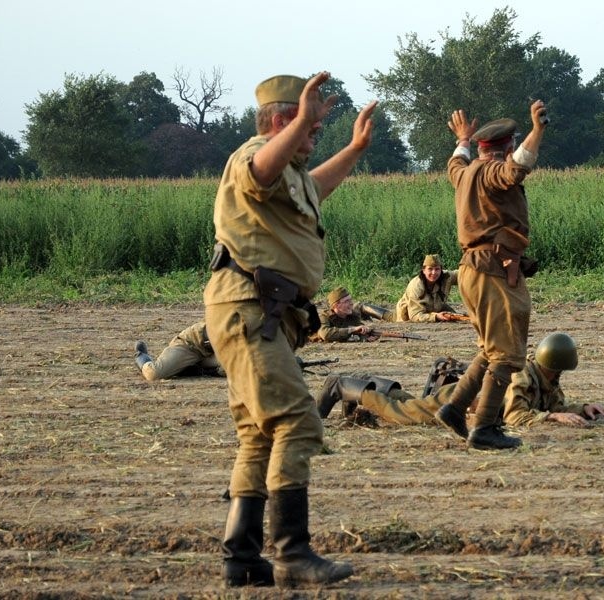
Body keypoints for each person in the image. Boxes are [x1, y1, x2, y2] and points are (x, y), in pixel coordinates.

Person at [203, 72, 375, 589]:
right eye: (310, 129)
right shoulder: (252, 156)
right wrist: (304, 117)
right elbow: (261, 166)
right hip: (249, 310)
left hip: (268, 315)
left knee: (259, 434)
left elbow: (315, 186)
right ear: (283, 120)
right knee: (299, 422)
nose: (312, 135)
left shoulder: (293, 174)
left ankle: (242, 557)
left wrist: (354, 149)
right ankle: (292, 554)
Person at [433, 100, 548, 451]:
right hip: (494, 271)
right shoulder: (493, 172)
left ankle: (454, 409)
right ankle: (483, 427)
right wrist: (538, 130)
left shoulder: (465, 173)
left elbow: (455, 162)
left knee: (490, 348)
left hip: (471, 270)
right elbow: (516, 169)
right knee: (506, 353)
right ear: (506, 147)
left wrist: (462, 139)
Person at [318, 333, 604, 431]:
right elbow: (517, 415)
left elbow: (552, 404)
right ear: (550, 367)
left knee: (410, 404)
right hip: (458, 402)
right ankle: (341, 386)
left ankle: (375, 384)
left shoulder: (544, 378)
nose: (559, 378)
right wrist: (553, 418)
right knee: (400, 414)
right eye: (558, 372)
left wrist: (582, 409)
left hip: (462, 398)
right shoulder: (523, 376)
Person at [133, 321, 223, 381]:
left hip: (216, 352)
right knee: (153, 374)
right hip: (193, 344)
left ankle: (192, 369)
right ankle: (141, 356)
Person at [394, 254, 465, 322]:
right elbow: (415, 315)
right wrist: (435, 317)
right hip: (408, 316)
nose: (434, 273)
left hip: (435, 308)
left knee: (457, 316)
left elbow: (463, 274)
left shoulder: (446, 277)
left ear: (441, 270)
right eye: (430, 269)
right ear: (423, 270)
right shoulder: (416, 286)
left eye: (437, 269)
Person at [311, 286, 386, 342]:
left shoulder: (353, 316)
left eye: (350, 300)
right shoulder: (323, 316)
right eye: (347, 301)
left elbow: (360, 330)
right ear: (335, 305)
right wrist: (352, 330)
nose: (351, 303)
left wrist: (365, 337)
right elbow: (325, 334)